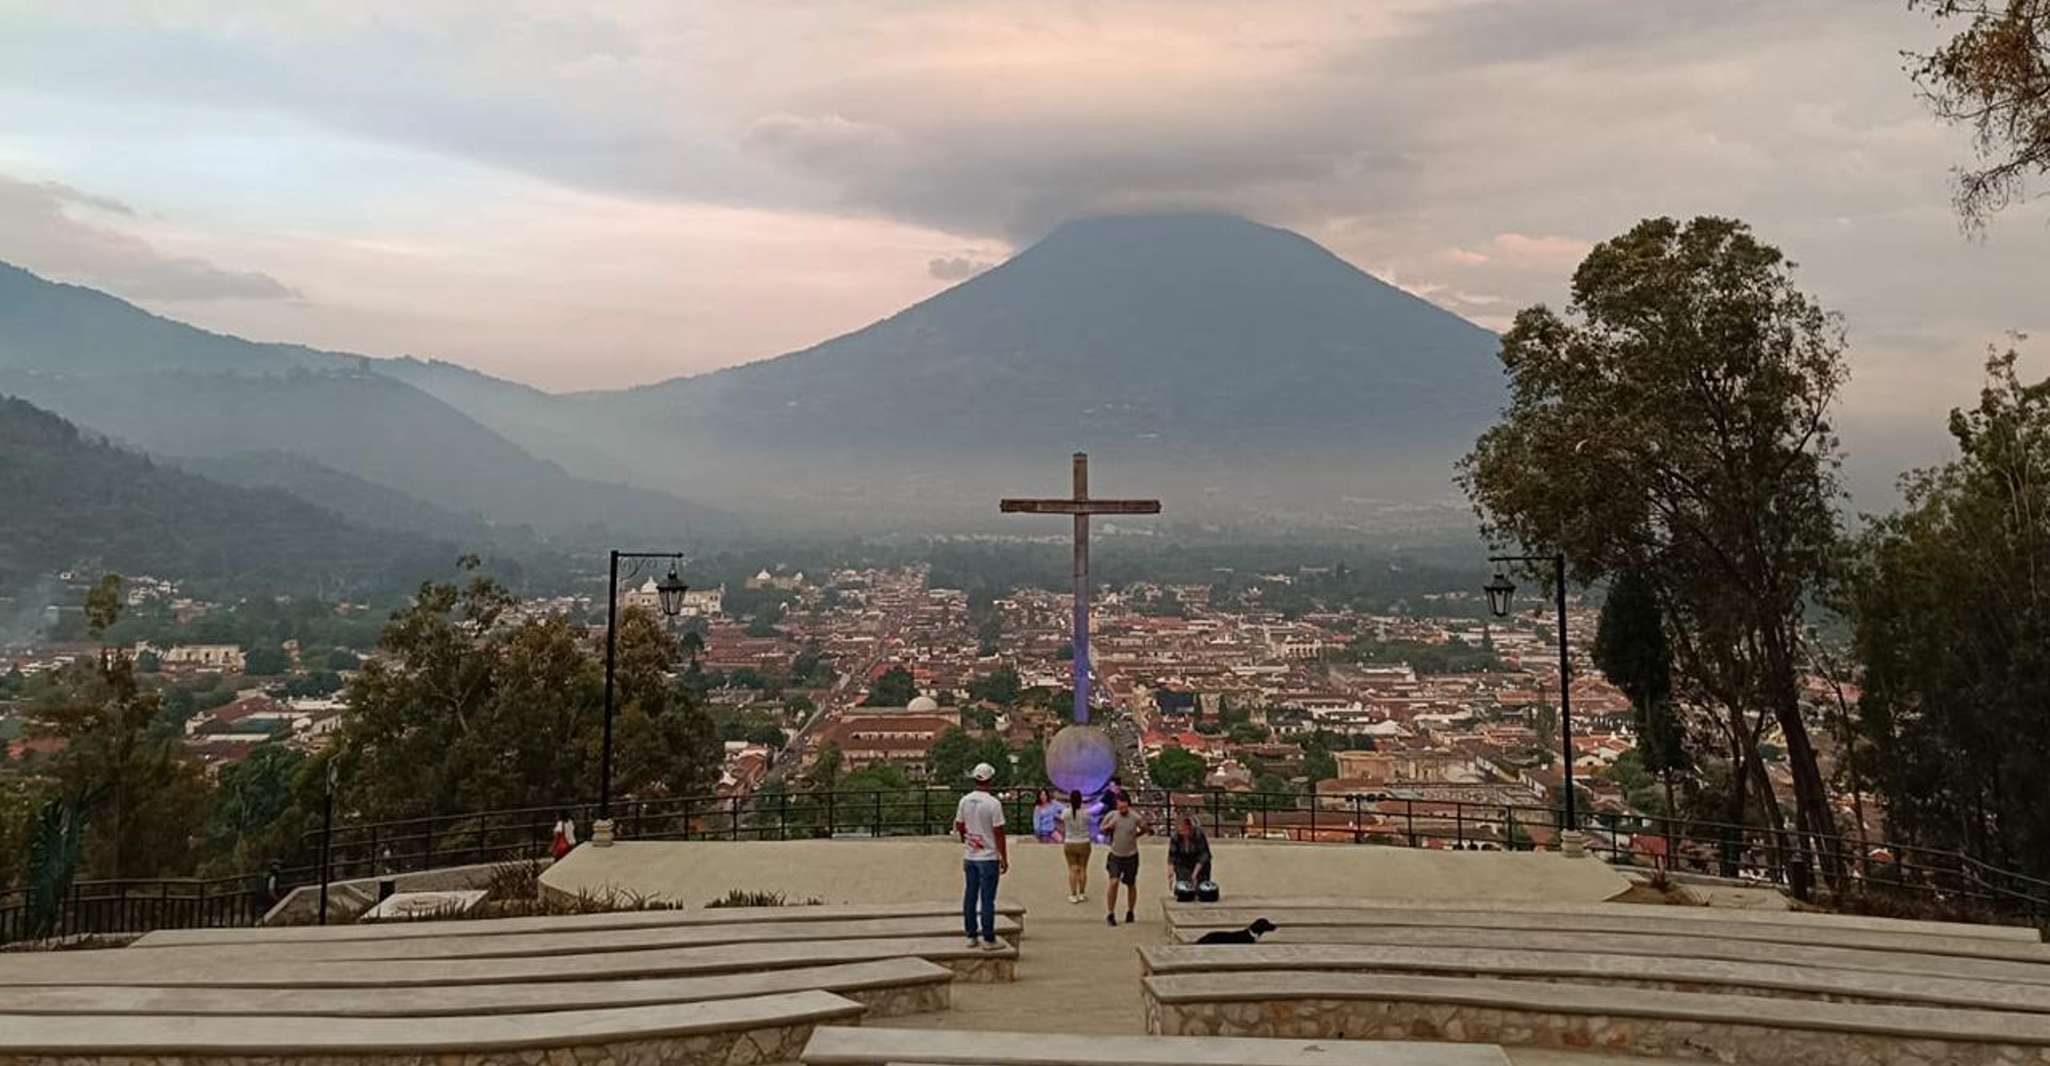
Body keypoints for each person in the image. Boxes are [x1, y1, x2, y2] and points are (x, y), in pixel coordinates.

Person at [953, 762, 1009, 950]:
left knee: (970, 895)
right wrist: (1004, 856)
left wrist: (966, 840)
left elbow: (959, 825)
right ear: (990, 780)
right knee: (987, 899)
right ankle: (988, 938)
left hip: (971, 855)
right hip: (988, 856)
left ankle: (970, 934)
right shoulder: (993, 804)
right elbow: (999, 832)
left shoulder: (965, 800)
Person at [1098, 790, 1149, 926]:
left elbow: (1144, 828)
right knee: (1113, 882)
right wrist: (1109, 827)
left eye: (1124, 807)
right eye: (1120, 807)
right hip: (1116, 854)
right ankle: (1110, 912)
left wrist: (1137, 835)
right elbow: (1101, 828)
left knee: (1131, 884)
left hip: (1131, 855)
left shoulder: (1135, 817)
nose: (1122, 810)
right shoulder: (1112, 816)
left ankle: (1130, 910)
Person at [1061, 788, 1092, 903]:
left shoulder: (1066, 813)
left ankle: (1073, 894)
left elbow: (1061, 820)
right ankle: (1082, 893)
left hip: (1070, 842)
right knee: (1083, 868)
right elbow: (1090, 822)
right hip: (1084, 842)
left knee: (1073, 869)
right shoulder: (1086, 813)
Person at [1168, 815, 1212, 891]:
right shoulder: (1175, 837)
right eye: (1179, 829)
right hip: (1183, 863)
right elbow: (1172, 855)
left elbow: (1204, 855)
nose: (1180, 831)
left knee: (1201, 888)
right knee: (1185, 888)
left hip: (1199, 863)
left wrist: (1195, 874)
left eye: (1183, 829)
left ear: (1189, 828)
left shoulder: (1199, 835)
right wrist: (1170, 873)